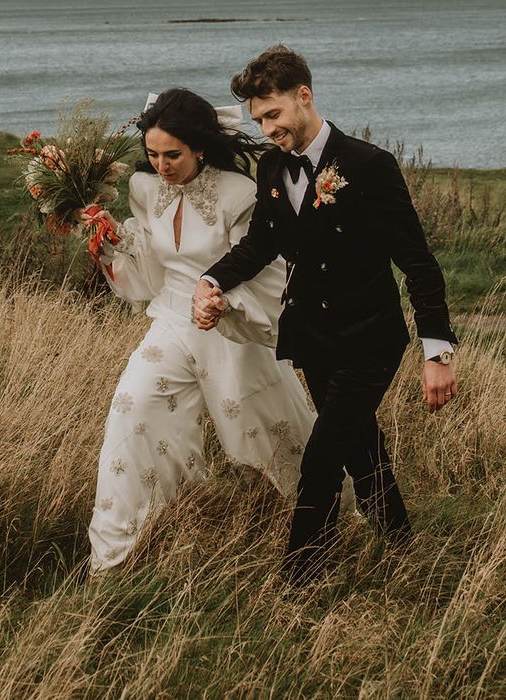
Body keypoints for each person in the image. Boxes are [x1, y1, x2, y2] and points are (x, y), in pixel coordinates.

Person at [192, 46, 458, 583]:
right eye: (258, 119)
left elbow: (417, 262)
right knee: (362, 449)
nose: (267, 129)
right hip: (313, 337)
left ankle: (299, 580)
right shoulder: (271, 166)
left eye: (274, 114)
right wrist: (212, 278)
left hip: (369, 338)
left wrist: (437, 349)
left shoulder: (369, 165)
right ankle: (403, 550)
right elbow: (261, 244)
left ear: (304, 96)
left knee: (321, 457)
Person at [85, 88, 355, 574]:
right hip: (169, 321)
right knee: (132, 407)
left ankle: (332, 523)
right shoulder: (144, 190)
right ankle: (115, 557)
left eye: (173, 155)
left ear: (200, 148)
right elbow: (148, 269)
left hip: (231, 326)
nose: (161, 165)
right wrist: (110, 239)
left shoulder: (238, 192)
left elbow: (262, 268)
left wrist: (223, 303)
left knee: (275, 435)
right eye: (152, 155)